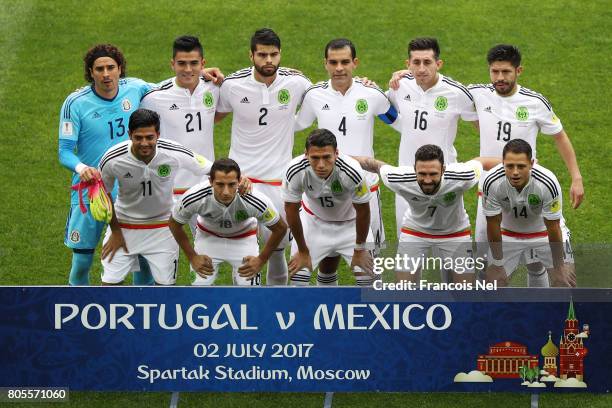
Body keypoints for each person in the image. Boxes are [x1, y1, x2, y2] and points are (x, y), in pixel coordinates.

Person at [468, 44, 583, 269]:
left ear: (518, 71)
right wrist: (404, 75)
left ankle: (536, 300)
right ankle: (488, 301)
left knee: (535, 258)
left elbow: (560, 137)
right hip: (490, 189)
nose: (499, 78)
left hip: (524, 186)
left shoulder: (535, 102)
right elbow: (439, 84)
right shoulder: (477, 93)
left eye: (506, 72)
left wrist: (576, 177)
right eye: (494, 71)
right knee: (485, 256)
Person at [216, 28, 312, 285]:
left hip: (278, 182)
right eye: (262, 55)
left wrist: (364, 83)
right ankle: (249, 309)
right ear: (251, 55)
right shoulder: (232, 85)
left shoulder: (297, 83)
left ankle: (276, 304)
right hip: (240, 183)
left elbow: (326, 95)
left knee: (278, 250)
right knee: (245, 250)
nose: (268, 60)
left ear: (280, 54)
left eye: (273, 54)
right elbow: (212, 114)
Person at [58, 44, 155, 286]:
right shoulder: (75, 103)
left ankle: (141, 314)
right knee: (82, 262)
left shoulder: (136, 88)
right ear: (91, 72)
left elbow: (172, 90)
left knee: (143, 258)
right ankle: (79, 312)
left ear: (120, 69)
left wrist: (205, 76)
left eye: (111, 67)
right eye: (99, 69)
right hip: (92, 191)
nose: (106, 74)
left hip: (131, 190)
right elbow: (65, 152)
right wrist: (83, 169)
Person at [295, 38, 397, 251]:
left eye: (344, 62)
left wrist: (399, 83)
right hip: (326, 188)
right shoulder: (314, 95)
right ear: (325, 64)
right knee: (326, 252)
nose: (339, 68)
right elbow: (296, 124)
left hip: (365, 184)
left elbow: (397, 120)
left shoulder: (371, 94)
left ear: (355, 63)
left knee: (374, 254)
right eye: (333, 62)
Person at [98, 109, 213, 285]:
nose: (144, 143)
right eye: (138, 137)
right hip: (124, 226)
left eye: (150, 137)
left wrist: (240, 179)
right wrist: (115, 231)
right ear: (129, 135)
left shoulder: (174, 152)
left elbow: (211, 169)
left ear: (158, 134)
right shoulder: (113, 158)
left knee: (165, 291)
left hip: (163, 228)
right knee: (109, 287)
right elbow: (103, 193)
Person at [354, 145, 499, 283]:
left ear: (443, 169)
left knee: (466, 291)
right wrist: (341, 158)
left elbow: (483, 161)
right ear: (414, 169)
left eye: (433, 174)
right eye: (422, 174)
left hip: (455, 233)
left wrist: (516, 166)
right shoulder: (398, 177)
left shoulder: (462, 176)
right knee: (402, 289)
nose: (427, 180)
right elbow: (372, 164)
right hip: (415, 231)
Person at [387, 38, 478, 236]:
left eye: (427, 62)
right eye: (416, 62)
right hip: (406, 178)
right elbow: (383, 108)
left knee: (449, 244)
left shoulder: (456, 93)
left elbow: (482, 128)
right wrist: (401, 126)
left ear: (438, 64)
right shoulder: (400, 86)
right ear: (407, 64)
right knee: (408, 246)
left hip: (444, 180)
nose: (421, 68)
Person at [140, 35, 219, 234]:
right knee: (164, 254)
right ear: (172, 64)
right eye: (181, 63)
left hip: (204, 183)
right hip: (168, 188)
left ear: (203, 63)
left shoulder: (214, 87)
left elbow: (219, 113)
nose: (188, 69)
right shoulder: (155, 97)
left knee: (207, 249)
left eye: (194, 63)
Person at [169, 159, 287, 286]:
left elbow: (280, 227)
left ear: (239, 181)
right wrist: (192, 257)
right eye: (220, 184)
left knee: (250, 292)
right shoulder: (195, 196)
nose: (226, 192)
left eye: (231, 185)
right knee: (199, 289)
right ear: (210, 182)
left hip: (243, 240)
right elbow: (174, 223)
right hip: (208, 239)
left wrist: (261, 260)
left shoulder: (254, 199)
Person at [282, 129, 374, 286]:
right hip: (313, 222)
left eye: (326, 157)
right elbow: (291, 210)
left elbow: (363, 211)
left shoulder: (352, 171)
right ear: (306, 154)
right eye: (315, 158)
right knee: (298, 279)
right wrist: (303, 251)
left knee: (368, 279)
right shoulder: (295, 170)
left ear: (336, 153)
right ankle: (321, 309)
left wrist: (359, 249)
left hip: (350, 225)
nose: (321, 165)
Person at [483, 139, 575, 287]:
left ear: (532, 163)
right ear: (502, 162)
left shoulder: (547, 182)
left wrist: (558, 266)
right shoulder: (491, 181)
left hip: (544, 232)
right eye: (510, 166)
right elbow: (493, 223)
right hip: (508, 234)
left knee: (564, 282)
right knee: (494, 284)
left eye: (521, 166)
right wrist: (498, 264)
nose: (515, 172)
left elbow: (553, 227)